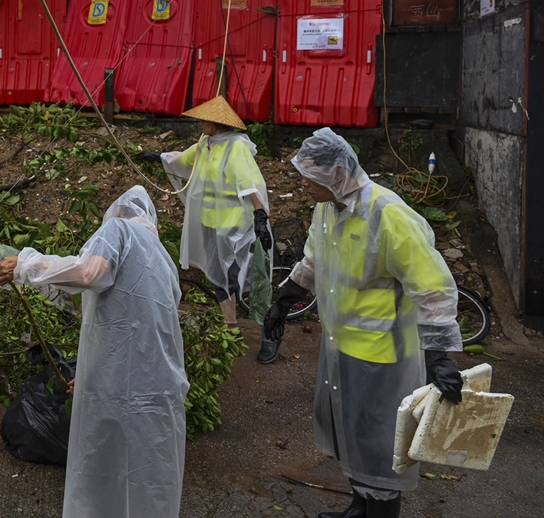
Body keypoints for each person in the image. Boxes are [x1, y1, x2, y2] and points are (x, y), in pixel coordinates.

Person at [264, 128, 463, 518]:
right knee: (349, 430)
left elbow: (433, 289)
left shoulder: (387, 214)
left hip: (383, 355)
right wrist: (284, 299)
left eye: (310, 178)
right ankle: (360, 503)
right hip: (340, 346)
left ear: (337, 172)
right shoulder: (326, 209)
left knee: (380, 441)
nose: (303, 186)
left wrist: (440, 355)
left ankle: (382, 512)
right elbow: (313, 260)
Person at [0, 186, 188, 518]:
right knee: (146, 468)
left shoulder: (119, 229)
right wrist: (90, 377)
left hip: (127, 386)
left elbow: (87, 273)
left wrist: (26, 265)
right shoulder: (163, 260)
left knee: (105, 462)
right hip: (156, 386)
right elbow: (135, 331)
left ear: (118, 214)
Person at [140, 95, 277, 361]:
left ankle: (268, 333)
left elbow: (248, 183)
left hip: (236, 224)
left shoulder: (235, 147)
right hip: (209, 221)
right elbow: (184, 160)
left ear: (216, 123)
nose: (200, 123)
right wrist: (158, 157)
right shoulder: (206, 143)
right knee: (218, 275)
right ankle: (231, 325)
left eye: (204, 119)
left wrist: (260, 214)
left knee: (246, 278)